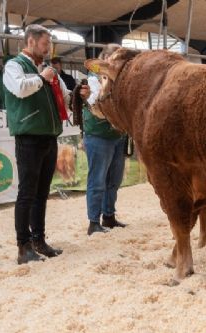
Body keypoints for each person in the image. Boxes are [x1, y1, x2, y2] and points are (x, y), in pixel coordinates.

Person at [3, 24, 71, 264]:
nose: (48, 49)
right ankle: (23, 247)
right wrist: (42, 77)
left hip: (49, 136)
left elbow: (64, 96)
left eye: (49, 45)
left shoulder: (46, 68)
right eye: (45, 44)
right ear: (30, 41)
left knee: (42, 193)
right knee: (27, 193)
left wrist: (74, 93)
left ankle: (39, 240)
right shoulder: (13, 66)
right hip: (29, 136)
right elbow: (20, 89)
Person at [79, 43, 127, 236]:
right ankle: (93, 222)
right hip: (98, 135)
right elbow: (96, 106)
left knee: (113, 180)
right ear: (106, 59)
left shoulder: (118, 81)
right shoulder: (93, 80)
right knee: (97, 181)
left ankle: (109, 216)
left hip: (116, 135)